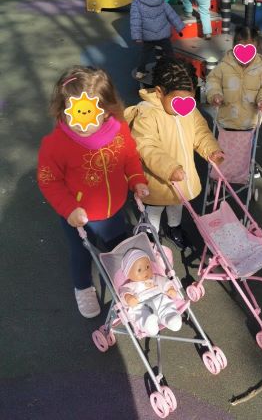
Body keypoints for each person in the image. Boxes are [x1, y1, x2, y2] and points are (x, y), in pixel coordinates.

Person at [37, 66, 149, 319]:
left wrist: (136, 180)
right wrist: (69, 209)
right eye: (75, 115)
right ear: (63, 110)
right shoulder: (56, 144)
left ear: (106, 110)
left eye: (90, 115)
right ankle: (83, 287)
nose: (82, 124)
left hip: (114, 209)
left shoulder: (119, 129)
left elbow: (129, 157)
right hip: (79, 216)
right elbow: (49, 181)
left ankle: (128, 284)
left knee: (119, 248)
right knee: (81, 254)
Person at [125, 57, 224, 249]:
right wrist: (169, 168)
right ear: (159, 92)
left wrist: (211, 150)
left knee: (177, 203)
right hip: (158, 178)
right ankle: (150, 235)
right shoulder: (148, 113)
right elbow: (146, 146)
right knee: (155, 209)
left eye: (190, 99)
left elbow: (200, 132)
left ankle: (174, 228)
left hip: (181, 175)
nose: (184, 106)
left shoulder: (189, 110)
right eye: (178, 100)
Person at [206, 26, 262, 131]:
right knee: (221, 142)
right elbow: (212, 80)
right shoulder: (224, 66)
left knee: (248, 142)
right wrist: (214, 94)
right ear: (234, 47)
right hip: (225, 121)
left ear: (257, 49)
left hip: (249, 123)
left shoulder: (261, 70)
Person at [119, 249, 182, 336]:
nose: (145, 271)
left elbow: (164, 281)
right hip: (140, 304)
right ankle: (149, 324)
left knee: (166, 305)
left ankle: (171, 319)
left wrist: (169, 287)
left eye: (147, 267)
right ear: (128, 274)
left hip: (159, 298)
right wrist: (128, 297)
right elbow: (123, 292)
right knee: (140, 314)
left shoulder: (155, 278)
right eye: (139, 270)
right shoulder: (130, 285)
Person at [130, 0, 185, 80]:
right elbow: (171, 14)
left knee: (145, 53)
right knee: (169, 52)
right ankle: (174, 69)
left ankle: (140, 71)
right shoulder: (161, 0)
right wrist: (179, 26)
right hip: (163, 33)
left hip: (148, 35)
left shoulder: (136, 2)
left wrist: (137, 36)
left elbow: (135, 20)